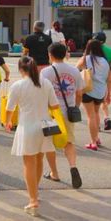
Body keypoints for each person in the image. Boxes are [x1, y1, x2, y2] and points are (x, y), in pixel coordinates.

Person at [5, 57, 61, 217]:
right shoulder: (45, 83)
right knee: (39, 160)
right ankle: (34, 192)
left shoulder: (18, 85)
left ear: (21, 70)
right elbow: (55, 105)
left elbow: (10, 108)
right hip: (44, 126)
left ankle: (33, 199)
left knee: (28, 163)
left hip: (27, 126)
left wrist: (8, 122)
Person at [40, 42, 83, 188]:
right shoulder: (75, 71)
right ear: (65, 54)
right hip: (68, 112)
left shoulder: (45, 72)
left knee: (49, 144)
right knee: (69, 142)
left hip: (51, 114)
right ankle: (73, 166)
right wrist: (75, 106)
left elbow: (41, 94)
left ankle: (54, 173)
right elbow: (79, 93)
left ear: (50, 55)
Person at [76, 39, 111, 150]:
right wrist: (108, 93)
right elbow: (109, 79)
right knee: (96, 114)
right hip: (101, 92)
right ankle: (97, 138)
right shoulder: (105, 61)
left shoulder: (86, 59)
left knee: (90, 116)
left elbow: (76, 70)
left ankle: (93, 142)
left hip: (88, 90)